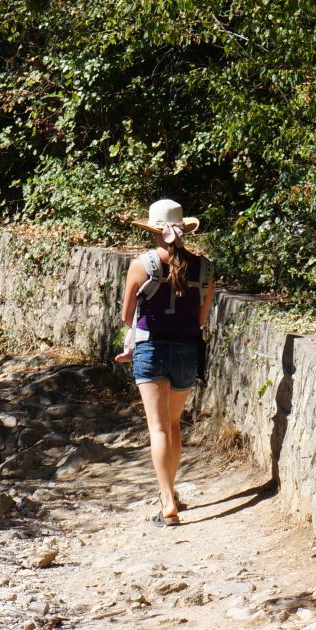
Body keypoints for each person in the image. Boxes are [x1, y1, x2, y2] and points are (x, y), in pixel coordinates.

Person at [116, 199, 213, 526]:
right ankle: (171, 493)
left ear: (155, 230)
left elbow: (127, 316)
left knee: (157, 428)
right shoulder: (204, 268)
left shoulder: (141, 265)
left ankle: (167, 500)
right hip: (187, 351)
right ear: (182, 228)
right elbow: (201, 319)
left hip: (151, 349)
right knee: (173, 425)